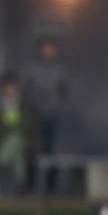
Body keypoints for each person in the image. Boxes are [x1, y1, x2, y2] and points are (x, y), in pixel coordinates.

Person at [24, 36, 68, 192]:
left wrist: (55, 103)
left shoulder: (60, 70)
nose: (48, 52)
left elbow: (64, 91)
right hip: (35, 115)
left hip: (53, 115)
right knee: (33, 150)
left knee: (51, 150)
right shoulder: (31, 69)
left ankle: (51, 187)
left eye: (51, 49)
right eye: (45, 49)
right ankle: (29, 186)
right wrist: (36, 101)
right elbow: (26, 91)